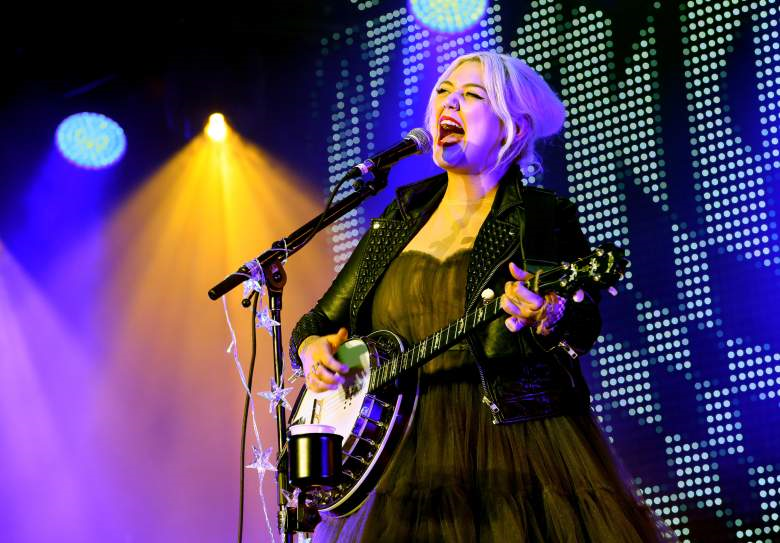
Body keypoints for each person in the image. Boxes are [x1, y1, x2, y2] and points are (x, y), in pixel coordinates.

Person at [289, 51, 674, 542]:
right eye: (443, 92)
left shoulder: (540, 217)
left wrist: (548, 314)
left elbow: (582, 326)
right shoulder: (398, 218)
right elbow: (321, 320)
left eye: (472, 95)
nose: (449, 103)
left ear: (512, 125)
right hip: (397, 456)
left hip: (514, 447)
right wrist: (311, 350)